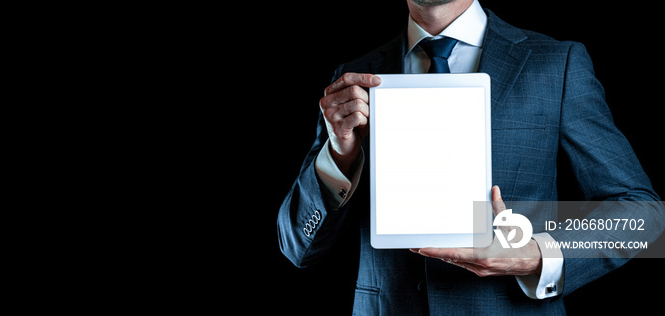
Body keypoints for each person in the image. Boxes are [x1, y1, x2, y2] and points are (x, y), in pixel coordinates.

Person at [278, 0, 664, 314]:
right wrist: (339, 156)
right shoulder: (354, 77)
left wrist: (537, 255)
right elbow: (297, 247)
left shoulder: (555, 64)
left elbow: (643, 215)